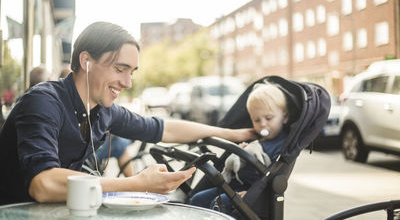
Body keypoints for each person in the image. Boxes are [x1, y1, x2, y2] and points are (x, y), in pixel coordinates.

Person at [0, 21, 257, 205]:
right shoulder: (43, 101)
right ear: (86, 62)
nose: (127, 83)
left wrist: (232, 133)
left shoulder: (103, 111)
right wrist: (138, 183)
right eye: (120, 69)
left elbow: (165, 128)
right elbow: (43, 183)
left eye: (132, 72)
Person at [189, 82, 289, 213]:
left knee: (219, 203)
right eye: (257, 120)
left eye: (269, 118)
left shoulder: (282, 145)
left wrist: (252, 194)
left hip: (254, 193)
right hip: (234, 186)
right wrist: (242, 151)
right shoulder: (253, 137)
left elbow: (272, 178)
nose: (263, 124)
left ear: (285, 117)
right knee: (198, 199)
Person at [59, 68, 135, 177]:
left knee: (117, 141)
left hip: (87, 155)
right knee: (119, 144)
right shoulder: (60, 107)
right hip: (84, 157)